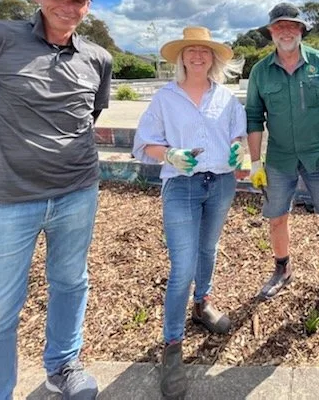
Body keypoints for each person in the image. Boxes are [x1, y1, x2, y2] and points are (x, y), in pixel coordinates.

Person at [0, 0, 112, 400]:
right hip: (6, 197)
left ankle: (63, 365)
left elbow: (88, 115)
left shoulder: (97, 58)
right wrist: (13, 148)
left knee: (71, 280)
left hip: (77, 191)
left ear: (87, 7)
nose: (66, 6)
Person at [132, 26, 247, 400]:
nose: (197, 56)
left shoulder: (227, 98)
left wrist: (236, 150)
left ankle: (203, 304)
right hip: (181, 185)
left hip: (221, 183)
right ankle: (172, 344)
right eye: (190, 51)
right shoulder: (165, 98)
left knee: (208, 248)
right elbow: (144, 142)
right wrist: (168, 154)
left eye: (204, 51)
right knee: (182, 266)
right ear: (180, 58)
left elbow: (238, 135)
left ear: (213, 59)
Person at [245, 2, 319, 309]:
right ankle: (282, 268)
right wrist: (255, 162)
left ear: (301, 30)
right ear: (271, 32)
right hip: (279, 159)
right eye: (278, 26)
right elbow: (254, 118)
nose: (285, 31)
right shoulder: (260, 72)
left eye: (291, 25)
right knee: (276, 217)